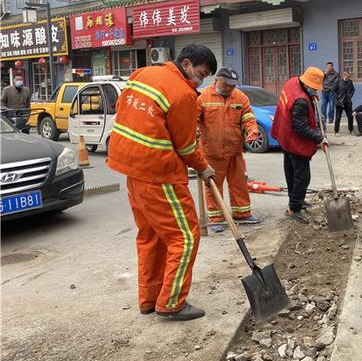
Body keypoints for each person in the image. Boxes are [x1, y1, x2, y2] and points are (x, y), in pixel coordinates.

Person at [107, 44, 217, 320]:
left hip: (132, 169)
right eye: (201, 74)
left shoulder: (142, 74)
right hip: (160, 172)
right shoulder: (182, 94)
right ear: (187, 63)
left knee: (151, 236)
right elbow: (185, 146)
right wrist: (203, 168)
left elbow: (123, 108)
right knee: (185, 237)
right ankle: (171, 303)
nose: (200, 81)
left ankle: (150, 297)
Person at [198, 67, 261, 232]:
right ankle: (216, 218)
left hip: (234, 150)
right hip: (211, 151)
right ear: (216, 80)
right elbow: (192, 118)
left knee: (239, 183)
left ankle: (242, 213)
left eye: (232, 85)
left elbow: (248, 116)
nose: (229, 88)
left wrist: (252, 131)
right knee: (213, 185)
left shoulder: (240, 97)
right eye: (226, 84)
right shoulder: (203, 97)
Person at [270, 67, 328, 224]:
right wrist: (319, 138)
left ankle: (296, 200)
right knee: (302, 177)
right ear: (307, 84)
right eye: (315, 88)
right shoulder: (301, 101)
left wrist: (311, 95)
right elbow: (301, 127)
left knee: (291, 171)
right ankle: (294, 208)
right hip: (293, 140)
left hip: (284, 134)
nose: (316, 91)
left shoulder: (292, 82)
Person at [320, 62, 338, 127]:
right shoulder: (323, 73)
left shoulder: (336, 74)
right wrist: (324, 74)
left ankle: (331, 119)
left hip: (331, 92)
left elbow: (336, 83)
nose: (328, 68)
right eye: (327, 66)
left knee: (331, 106)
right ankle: (323, 119)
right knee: (323, 106)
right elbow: (320, 80)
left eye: (330, 66)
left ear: (332, 67)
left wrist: (332, 89)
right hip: (324, 91)